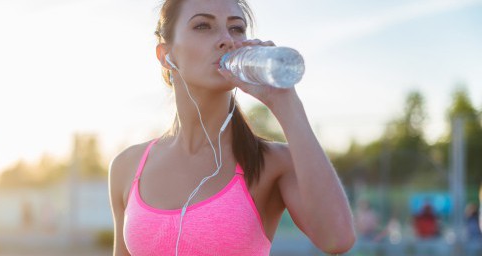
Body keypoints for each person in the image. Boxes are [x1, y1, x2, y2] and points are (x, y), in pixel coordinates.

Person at [108, 0, 355, 255]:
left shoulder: (271, 163)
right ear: (166, 55)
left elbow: (337, 238)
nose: (227, 39)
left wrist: (285, 101)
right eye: (203, 26)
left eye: (236, 28)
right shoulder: (127, 166)